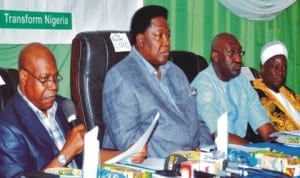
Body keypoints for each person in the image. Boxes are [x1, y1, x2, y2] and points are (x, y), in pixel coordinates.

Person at [102, 5, 214, 159]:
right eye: (159, 36)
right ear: (140, 40)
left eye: (168, 36)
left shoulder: (176, 72)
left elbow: (197, 120)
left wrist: (207, 151)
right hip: (156, 166)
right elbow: (128, 143)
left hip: (195, 162)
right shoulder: (120, 78)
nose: (166, 43)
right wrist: (182, 158)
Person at [0, 43, 86, 177]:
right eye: (45, 79)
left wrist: (127, 154)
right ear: (24, 77)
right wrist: (65, 155)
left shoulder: (63, 106)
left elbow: (88, 155)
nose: (53, 86)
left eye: (55, 78)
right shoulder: (7, 128)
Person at [191, 33, 276, 145]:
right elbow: (220, 136)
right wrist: (254, 150)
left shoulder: (242, 81)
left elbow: (266, 130)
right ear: (216, 57)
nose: (238, 59)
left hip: (242, 148)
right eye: (231, 53)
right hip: (213, 153)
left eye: (240, 52)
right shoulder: (203, 84)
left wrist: (283, 146)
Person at [252, 40, 300, 131]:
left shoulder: (287, 92)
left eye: (284, 68)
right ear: (263, 69)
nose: (281, 72)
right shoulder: (255, 93)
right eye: (275, 67)